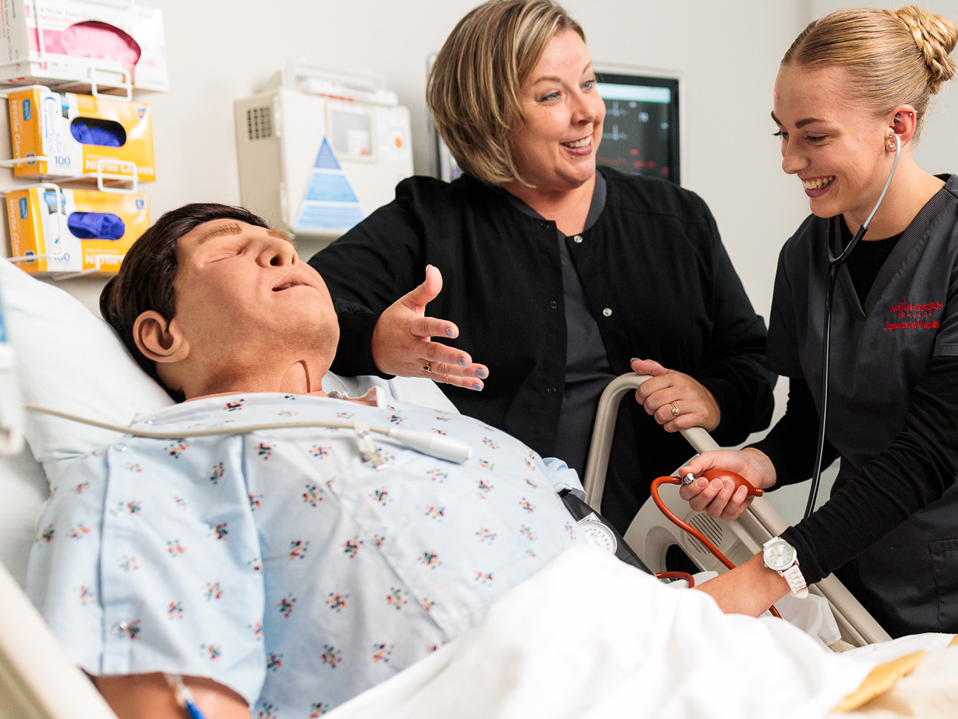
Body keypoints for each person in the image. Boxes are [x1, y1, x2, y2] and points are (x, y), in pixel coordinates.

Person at [30, 203, 587, 718]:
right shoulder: (155, 469)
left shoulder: (434, 420)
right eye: (228, 249)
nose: (280, 251)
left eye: (281, 243)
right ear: (162, 336)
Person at [675, 7, 958, 639]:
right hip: (871, 571)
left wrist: (765, 575)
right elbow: (817, 419)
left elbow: (927, 454)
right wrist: (757, 462)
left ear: (898, 126)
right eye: (781, 134)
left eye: (814, 137)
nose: (790, 161)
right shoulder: (806, 255)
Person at [309, 0, 775, 530]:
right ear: (489, 116)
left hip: (664, 544)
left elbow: (751, 365)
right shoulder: (429, 223)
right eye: (552, 94)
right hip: (500, 540)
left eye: (589, 83)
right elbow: (302, 310)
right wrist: (375, 339)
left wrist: (713, 398)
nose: (588, 112)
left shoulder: (677, 220)